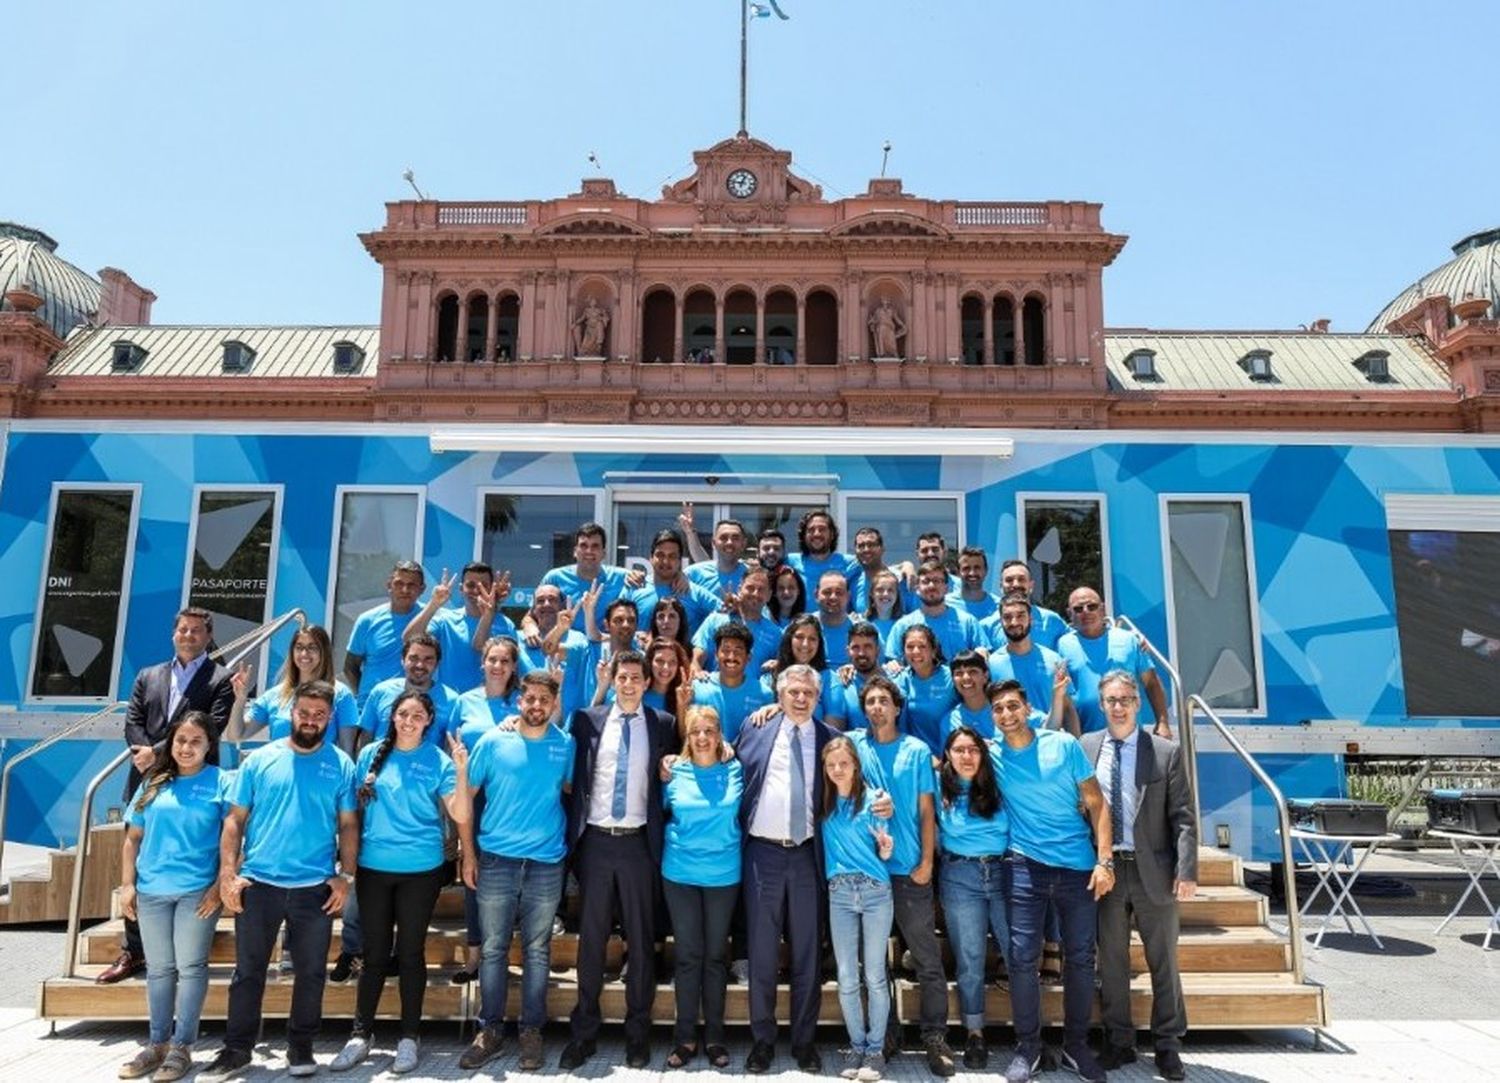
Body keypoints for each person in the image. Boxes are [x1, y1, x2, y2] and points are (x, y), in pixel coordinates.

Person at [200, 680, 358, 1082]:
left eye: (319, 714)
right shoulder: (258, 760)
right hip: (259, 884)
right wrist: (228, 874)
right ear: (291, 712)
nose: (310, 720)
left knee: (310, 973)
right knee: (248, 972)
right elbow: (234, 820)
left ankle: (301, 1047)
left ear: (329, 718)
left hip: (314, 889)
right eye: (304, 712)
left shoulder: (341, 764)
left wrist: (346, 877)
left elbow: (348, 824)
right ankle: (236, 1050)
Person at [329, 692, 471, 1075]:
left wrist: (460, 770)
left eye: (418, 715)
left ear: (429, 721)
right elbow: (352, 815)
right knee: (374, 955)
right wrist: (348, 866)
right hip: (373, 869)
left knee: (410, 953)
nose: (410, 721)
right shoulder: (370, 753)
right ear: (393, 718)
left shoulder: (437, 760)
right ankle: (362, 1034)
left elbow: (458, 811)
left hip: (420, 871)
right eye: (403, 714)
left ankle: (409, 1038)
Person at [988, 679, 1115, 1083]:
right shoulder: (992, 754)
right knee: (1022, 958)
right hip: (1024, 866)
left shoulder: (1062, 745)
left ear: (1028, 708)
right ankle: (1029, 1047)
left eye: (1012, 706)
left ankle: (1076, 1046)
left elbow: (1098, 805)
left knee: (1079, 959)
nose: (1006, 714)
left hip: (1078, 867)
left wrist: (1105, 862)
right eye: (999, 709)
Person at [559, 651, 676, 1070]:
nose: (628, 684)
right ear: (612, 678)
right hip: (595, 842)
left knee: (641, 942)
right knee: (591, 942)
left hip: (639, 844)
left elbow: (671, 774)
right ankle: (584, 1033)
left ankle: (637, 1034)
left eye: (635, 678)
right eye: (621, 676)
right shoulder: (587, 720)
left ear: (647, 682)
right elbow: (558, 752)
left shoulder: (663, 725)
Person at [106, 606, 235, 985]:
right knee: (141, 856)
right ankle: (134, 951)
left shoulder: (220, 679)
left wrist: (156, 752)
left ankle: (183, 951)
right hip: (146, 778)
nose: (188, 636)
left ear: (208, 637)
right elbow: (132, 721)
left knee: (192, 855)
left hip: (195, 782)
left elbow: (213, 726)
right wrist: (144, 755)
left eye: (196, 631)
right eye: (182, 630)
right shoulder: (149, 675)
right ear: (173, 633)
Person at [457, 672, 575, 1072]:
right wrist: (467, 853)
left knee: (537, 950)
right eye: (530, 699)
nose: (537, 706)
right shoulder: (492, 741)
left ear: (554, 703)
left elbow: (578, 793)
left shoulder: (566, 745)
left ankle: (531, 1032)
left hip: (546, 863)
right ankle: (489, 1030)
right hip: (496, 861)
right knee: (492, 949)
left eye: (545, 699)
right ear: (519, 701)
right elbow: (464, 800)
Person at [1082, 672, 1196, 1081]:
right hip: (1108, 870)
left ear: (1138, 704)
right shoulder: (1087, 747)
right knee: (1110, 962)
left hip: (1155, 872)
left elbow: (1183, 817)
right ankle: (1119, 1041)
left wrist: (1186, 871)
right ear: (1101, 704)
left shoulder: (1165, 752)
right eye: (1111, 699)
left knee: (1162, 960)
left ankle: (1167, 1044)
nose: (1118, 706)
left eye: (1127, 699)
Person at [849, 675, 956, 1078]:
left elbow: (928, 812)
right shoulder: (855, 746)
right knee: (872, 962)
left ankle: (934, 1037)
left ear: (897, 707)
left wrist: (927, 861)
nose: (877, 707)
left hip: (909, 868)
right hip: (867, 870)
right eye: (870, 701)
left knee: (926, 958)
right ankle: (885, 1033)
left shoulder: (915, 750)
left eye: (884, 701)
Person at [116, 712, 231, 1082]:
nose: (186, 747)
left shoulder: (222, 782)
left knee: (190, 967)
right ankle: (157, 1044)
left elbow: (234, 839)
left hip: (197, 892)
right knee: (159, 969)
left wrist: (219, 886)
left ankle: (182, 1048)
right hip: (151, 891)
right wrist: (128, 885)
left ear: (209, 746)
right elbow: (132, 839)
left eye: (196, 741)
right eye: (181, 740)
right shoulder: (154, 781)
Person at [736, 664, 839, 1074]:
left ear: (817, 697)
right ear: (779, 696)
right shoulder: (755, 728)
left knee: (807, 955)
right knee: (761, 952)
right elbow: (729, 762)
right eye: (793, 692)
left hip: (807, 856)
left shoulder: (832, 740)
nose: (800, 699)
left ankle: (804, 1041)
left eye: (808, 693)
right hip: (762, 855)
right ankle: (762, 1040)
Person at [662, 705, 744, 1070]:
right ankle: (684, 1038)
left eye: (709, 730)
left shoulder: (736, 770)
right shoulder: (673, 771)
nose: (702, 737)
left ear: (719, 734)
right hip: (679, 873)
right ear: (687, 736)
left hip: (723, 874)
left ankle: (714, 1036)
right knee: (687, 956)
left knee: (714, 957)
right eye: (695, 731)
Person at [820, 734, 896, 1082]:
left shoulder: (876, 800)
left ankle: (876, 1050)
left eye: (844, 764)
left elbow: (885, 852)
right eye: (832, 765)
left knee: (875, 975)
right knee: (847, 975)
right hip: (840, 892)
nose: (838, 770)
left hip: (875, 890)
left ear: (855, 766)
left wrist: (885, 847)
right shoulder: (823, 801)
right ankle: (856, 1045)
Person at [936, 724, 1011, 1069]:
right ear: (947, 756)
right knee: (969, 959)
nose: (966, 756)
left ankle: (1030, 1035)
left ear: (983, 754)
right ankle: (975, 1034)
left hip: (1004, 873)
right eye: (959, 750)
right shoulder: (938, 790)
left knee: (1019, 955)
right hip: (960, 876)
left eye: (973, 749)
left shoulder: (1002, 785)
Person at [451, 635, 523, 983]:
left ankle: (505, 953)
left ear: (513, 667)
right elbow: (452, 750)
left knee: (512, 878)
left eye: (504, 661)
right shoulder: (463, 702)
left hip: (511, 799)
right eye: (492, 659)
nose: (497, 666)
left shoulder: (522, 704)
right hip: (474, 798)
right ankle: (475, 953)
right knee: (473, 875)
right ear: (483, 663)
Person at [1055, 586, 1170, 737]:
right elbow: (1063, 696)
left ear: (1102, 609)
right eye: (1078, 609)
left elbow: (1152, 683)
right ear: (1070, 614)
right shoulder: (1063, 645)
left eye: (1092, 606)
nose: (1086, 611)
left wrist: (1162, 722)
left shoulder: (1128, 639)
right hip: (1087, 739)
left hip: (1130, 736)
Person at [226, 624, 358, 746]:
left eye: (312, 648)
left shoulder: (341, 694)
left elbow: (347, 750)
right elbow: (236, 735)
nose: (304, 654)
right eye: (299, 647)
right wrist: (240, 700)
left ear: (324, 652)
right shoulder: (275, 695)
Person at [403, 562, 514, 693]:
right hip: (449, 702)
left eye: (484, 586)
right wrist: (434, 604)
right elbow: (409, 639)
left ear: (492, 589)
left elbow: (480, 646)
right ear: (461, 589)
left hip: (486, 703)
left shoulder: (505, 624)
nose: (477, 590)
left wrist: (490, 612)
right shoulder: (445, 621)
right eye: (470, 585)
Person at [986, 593, 1079, 735]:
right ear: (1001, 621)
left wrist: (1076, 747)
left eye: (1020, 615)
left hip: (1049, 742)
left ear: (1031, 619)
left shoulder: (1054, 660)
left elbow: (1068, 710)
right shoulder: (992, 663)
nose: (1014, 622)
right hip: (1009, 747)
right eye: (1007, 617)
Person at [343, 560, 425, 705]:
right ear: (389, 586)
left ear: (422, 589)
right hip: (371, 709)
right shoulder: (367, 620)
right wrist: (365, 697)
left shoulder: (432, 618)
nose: (405, 590)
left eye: (411, 585)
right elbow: (350, 667)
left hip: (414, 708)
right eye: (399, 583)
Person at [539, 522, 637, 634]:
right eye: (583, 546)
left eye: (595, 546)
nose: (589, 551)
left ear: (603, 553)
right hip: (565, 648)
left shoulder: (623, 577)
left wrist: (640, 575)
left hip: (606, 647)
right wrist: (529, 628)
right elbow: (531, 615)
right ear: (575, 551)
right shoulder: (554, 578)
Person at [629, 528, 721, 637]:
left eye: (672, 556)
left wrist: (702, 643)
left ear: (680, 561)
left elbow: (727, 617)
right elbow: (615, 621)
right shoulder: (634, 587)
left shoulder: (694, 593)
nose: (665, 561)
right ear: (651, 558)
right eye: (660, 555)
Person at [692, 564, 782, 675]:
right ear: (740, 589)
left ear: (769, 595)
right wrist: (697, 674)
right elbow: (696, 660)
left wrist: (778, 664)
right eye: (750, 588)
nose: (755, 594)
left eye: (761, 590)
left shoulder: (776, 633)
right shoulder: (714, 621)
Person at [886, 561, 982, 664]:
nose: (931, 586)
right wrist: (892, 664)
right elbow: (893, 662)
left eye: (937, 581)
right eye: (926, 581)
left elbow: (982, 651)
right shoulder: (902, 626)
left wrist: (982, 652)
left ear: (946, 588)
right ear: (917, 588)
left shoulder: (967, 622)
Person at [691, 622, 773, 742]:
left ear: (748, 657)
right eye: (726, 650)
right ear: (716, 655)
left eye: (738, 651)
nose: (731, 656)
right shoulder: (697, 688)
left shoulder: (764, 694)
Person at [893, 624, 958, 757]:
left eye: (922, 646)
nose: (916, 651)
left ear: (933, 650)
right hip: (919, 758)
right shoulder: (901, 679)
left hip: (951, 758)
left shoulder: (952, 677)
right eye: (910, 647)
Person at [989, 560, 1068, 650]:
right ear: (1001, 586)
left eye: (1021, 579)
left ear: (1031, 585)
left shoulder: (1051, 620)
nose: (1015, 584)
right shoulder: (988, 626)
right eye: (1009, 580)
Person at [786, 510, 858, 600]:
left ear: (832, 534)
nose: (817, 534)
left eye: (822, 529)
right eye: (811, 530)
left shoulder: (851, 563)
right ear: (804, 536)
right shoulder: (789, 562)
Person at [826, 621, 884, 730]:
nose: (861, 653)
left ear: (877, 650)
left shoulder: (895, 681)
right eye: (856, 647)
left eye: (868, 646)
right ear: (848, 651)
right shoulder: (842, 683)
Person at [685, 514, 750, 599]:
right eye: (723, 538)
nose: (729, 542)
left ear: (743, 543)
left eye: (735, 538)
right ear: (713, 543)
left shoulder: (752, 575)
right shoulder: (693, 574)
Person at [814, 570, 855, 667]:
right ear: (816, 595)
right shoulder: (801, 628)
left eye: (839, 592)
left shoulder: (863, 631)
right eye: (827, 592)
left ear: (848, 596)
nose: (833, 597)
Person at [949, 546, 999, 622]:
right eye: (966, 568)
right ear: (958, 572)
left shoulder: (998, 606)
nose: (972, 573)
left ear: (986, 571)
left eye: (977, 568)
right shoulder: (947, 605)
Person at [863, 567, 907, 653]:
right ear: (872, 594)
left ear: (897, 594)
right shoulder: (862, 622)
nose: (885, 594)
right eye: (880, 590)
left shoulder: (906, 624)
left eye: (890, 590)